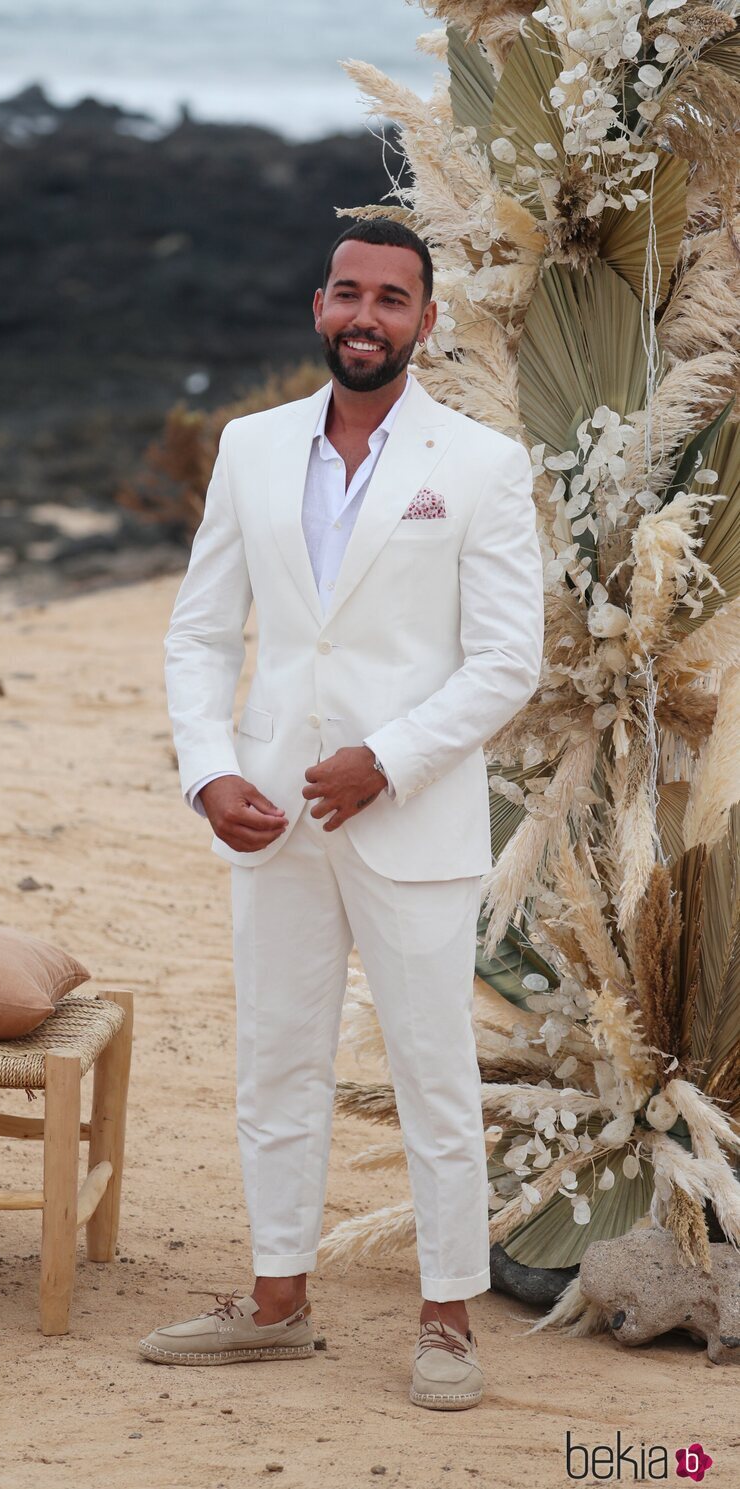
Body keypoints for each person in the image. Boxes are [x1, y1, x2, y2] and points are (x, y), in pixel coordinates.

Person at [140, 218, 544, 1409]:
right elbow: (203, 630)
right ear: (320, 307)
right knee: (274, 1058)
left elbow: (504, 660)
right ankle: (274, 1300)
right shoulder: (250, 446)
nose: (365, 316)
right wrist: (208, 769)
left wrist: (389, 757)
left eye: (392, 299)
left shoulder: (478, 464)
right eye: (347, 294)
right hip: (268, 812)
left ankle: (446, 1321)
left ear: (425, 321)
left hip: (406, 815)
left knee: (432, 1072)